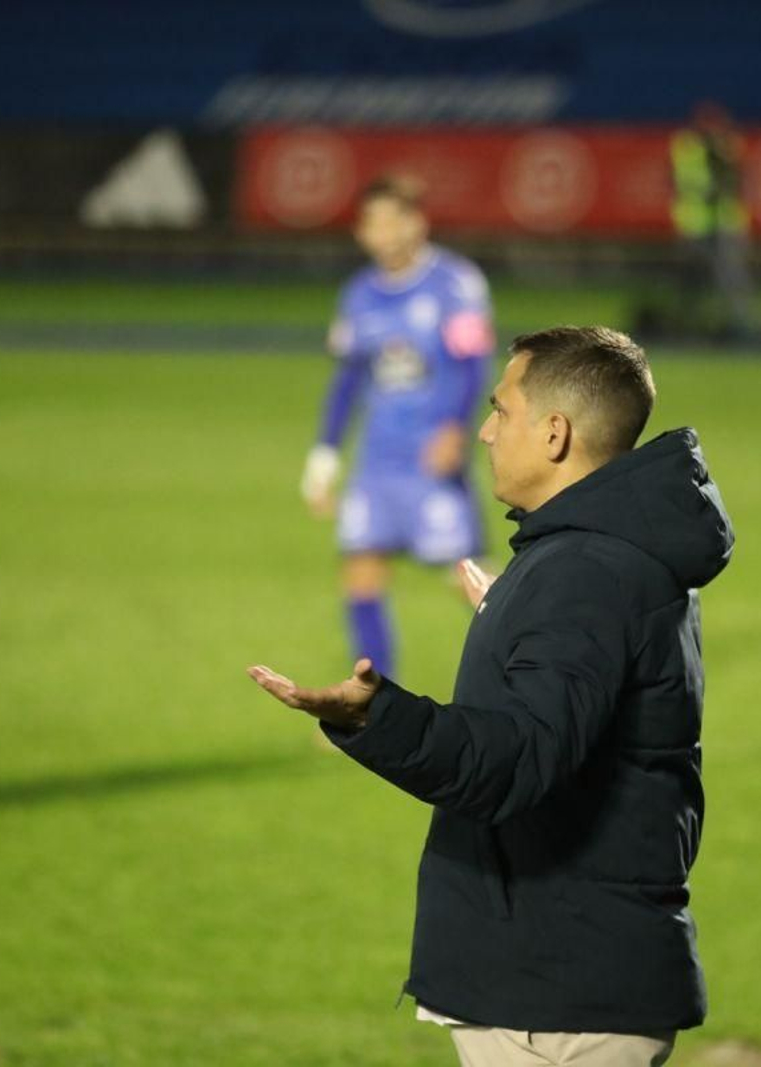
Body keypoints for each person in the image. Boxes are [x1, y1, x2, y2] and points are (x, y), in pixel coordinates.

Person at [252, 326, 734, 1067]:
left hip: (561, 994)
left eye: (501, 410)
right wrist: (517, 627)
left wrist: (374, 715)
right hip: (560, 975)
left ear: (554, 433)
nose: (484, 430)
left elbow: (516, 761)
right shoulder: (588, 559)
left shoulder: (586, 574)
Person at [301, 174, 495, 680]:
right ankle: (374, 705)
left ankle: (553, 658)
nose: (382, 231)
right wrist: (324, 458)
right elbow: (347, 382)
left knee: (467, 580)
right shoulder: (358, 295)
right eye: (371, 222)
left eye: (392, 219)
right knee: (361, 575)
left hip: (432, 459)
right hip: (377, 463)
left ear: (417, 223)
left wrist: (454, 428)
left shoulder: (455, 284)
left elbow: (474, 364)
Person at [668, 101, 755, 338]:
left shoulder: (728, 146)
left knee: (731, 278)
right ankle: (689, 326)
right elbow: (680, 182)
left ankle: (741, 326)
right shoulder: (686, 147)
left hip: (723, 224)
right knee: (692, 282)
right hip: (695, 224)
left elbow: (738, 182)